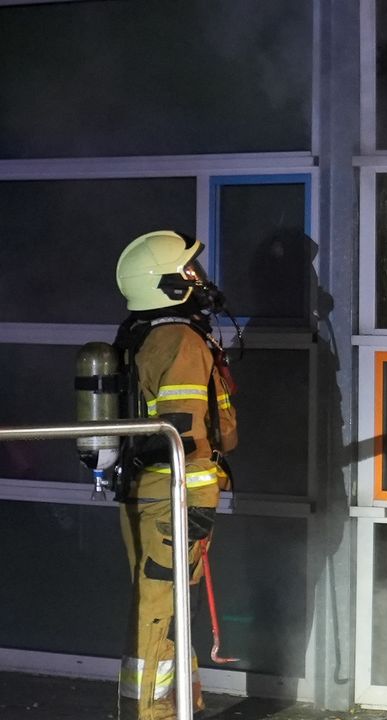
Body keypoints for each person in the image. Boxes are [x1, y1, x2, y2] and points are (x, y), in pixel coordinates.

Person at [113, 230, 239, 720]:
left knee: (160, 603)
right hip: (175, 491)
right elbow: (185, 433)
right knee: (162, 607)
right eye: (188, 272)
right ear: (167, 284)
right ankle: (153, 713)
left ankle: (177, 704)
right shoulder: (181, 340)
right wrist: (201, 503)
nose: (199, 279)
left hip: (147, 487)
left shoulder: (142, 333)